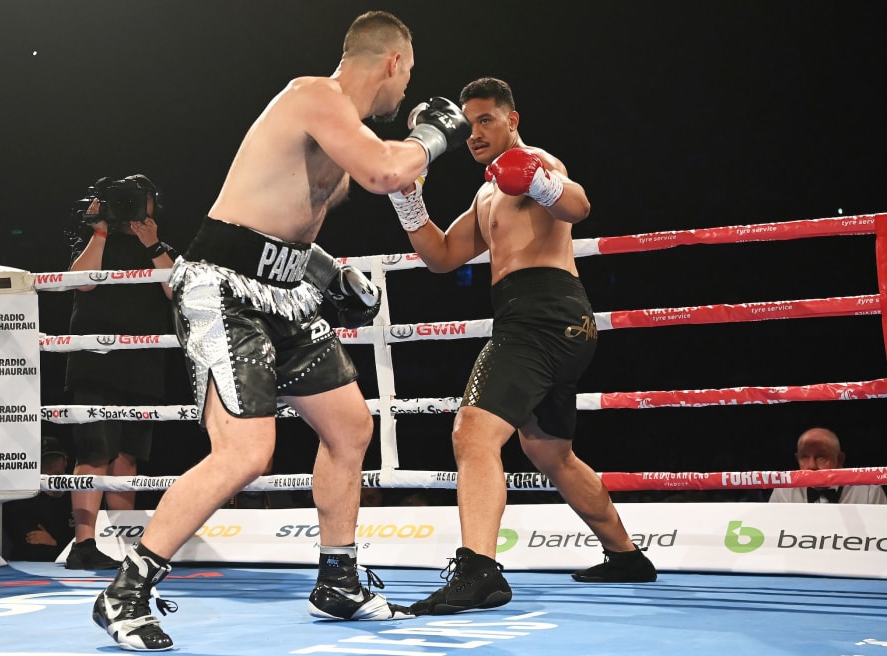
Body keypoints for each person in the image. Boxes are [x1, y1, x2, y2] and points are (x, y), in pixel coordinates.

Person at [92, 11, 471, 651]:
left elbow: (286, 222)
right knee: (244, 452)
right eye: (409, 72)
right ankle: (126, 589)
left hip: (285, 295)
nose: (407, 89)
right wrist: (435, 135)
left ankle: (338, 579)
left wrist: (330, 275)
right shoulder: (312, 95)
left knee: (350, 426)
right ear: (394, 61)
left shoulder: (339, 133)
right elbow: (386, 172)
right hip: (224, 292)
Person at [387, 77, 656, 616]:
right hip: (548, 321)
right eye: (469, 125)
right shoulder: (487, 191)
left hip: (542, 316)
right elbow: (441, 256)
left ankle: (478, 572)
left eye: (487, 120)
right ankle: (626, 556)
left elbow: (578, 206)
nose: (475, 133)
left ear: (512, 119)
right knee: (549, 452)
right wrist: (407, 199)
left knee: (472, 433)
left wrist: (538, 182)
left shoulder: (532, 160)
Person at [63, 174, 178, 570]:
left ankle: (126, 539)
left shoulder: (159, 248)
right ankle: (84, 543)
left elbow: (176, 290)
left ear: (152, 203)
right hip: (95, 360)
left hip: (143, 362)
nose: (131, 205)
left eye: (138, 198)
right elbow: (82, 283)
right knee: (95, 449)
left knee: (128, 455)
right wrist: (98, 231)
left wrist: (152, 243)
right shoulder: (93, 242)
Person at [2, 436, 74, 562]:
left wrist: (55, 543)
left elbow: (88, 546)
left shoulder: (79, 497)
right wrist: (62, 546)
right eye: (45, 461)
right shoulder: (24, 502)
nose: (52, 466)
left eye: (55, 459)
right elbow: (32, 549)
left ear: (65, 461)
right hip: (34, 569)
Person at [769, 427, 887, 504]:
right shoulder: (784, 492)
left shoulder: (868, 493)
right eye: (804, 457)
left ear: (839, 460)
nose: (811, 466)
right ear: (797, 459)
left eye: (821, 457)